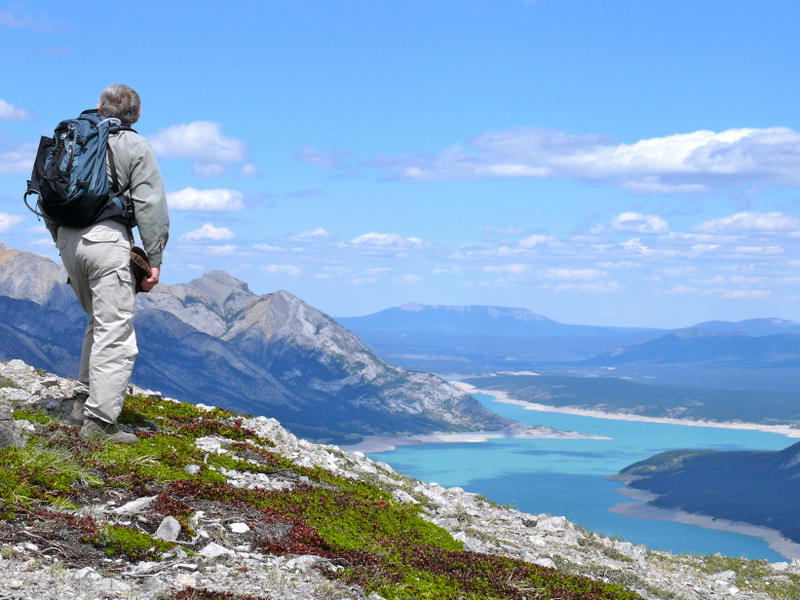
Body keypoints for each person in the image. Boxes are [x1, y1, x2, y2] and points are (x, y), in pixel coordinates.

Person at [48, 84, 170, 444]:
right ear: (138, 115)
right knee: (115, 333)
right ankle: (100, 423)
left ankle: (83, 401)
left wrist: (62, 239)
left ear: (98, 106)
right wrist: (155, 258)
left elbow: (47, 190)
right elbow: (151, 205)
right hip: (106, 242)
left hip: (68, 240)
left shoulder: (70, 136)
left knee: (98, 321)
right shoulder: (135, 145)